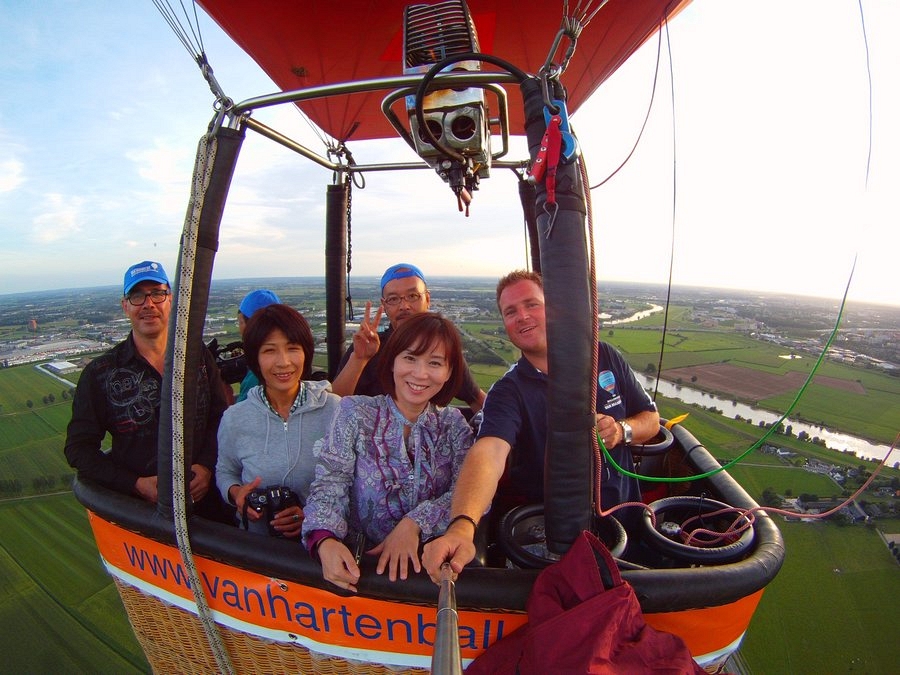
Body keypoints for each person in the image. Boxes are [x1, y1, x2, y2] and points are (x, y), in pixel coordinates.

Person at [422, 270, 660, 582]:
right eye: (510, 311)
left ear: (553, 308)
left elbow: (650, 419)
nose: (522, 316)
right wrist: (462, 526)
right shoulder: (509, 391)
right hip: (548, 536)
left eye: (531, 304)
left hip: (623, 519)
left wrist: (621, 430)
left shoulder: (603, 356)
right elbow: (489, 451)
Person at [302, 312, 474, 592]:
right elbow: (330, 481)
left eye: (434, 363)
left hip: (430, 575)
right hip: (361, 571)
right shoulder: (354, 413)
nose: (420, 373)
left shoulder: (453, 425)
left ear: (449, 372)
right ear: (392, 361)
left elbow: (470, 493)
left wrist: (415, 523)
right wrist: (324, 539)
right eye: (410, 358)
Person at [64, 260, 232, 523]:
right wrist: (135, 484)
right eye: (137, 296)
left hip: (210, 509)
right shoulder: (101, 374)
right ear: (125, 306)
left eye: (157, 293)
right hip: (144, 518)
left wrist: (207, 466)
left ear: (171, 300)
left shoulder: (197, 356)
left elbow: (219, 417)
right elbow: (79, 449)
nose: (148, 304)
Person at [216, 303, 340, 537]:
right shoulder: (235, 418)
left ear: (306, 353)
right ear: (255, 359)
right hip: (256, 546)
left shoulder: (335, 411)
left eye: (292, 348)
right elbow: (225, 471)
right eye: (269, 351)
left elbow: (353, 484)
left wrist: (313, 516)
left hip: (321, 546)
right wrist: (236, 493)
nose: (283, 362)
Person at [331, 263, 486, 412]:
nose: (404, 306)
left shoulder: (443, 351)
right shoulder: (369, 348)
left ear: (427, 299)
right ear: (384, 306)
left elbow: (477, 400)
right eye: (393, 299)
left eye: (412, 296)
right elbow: (333, 407)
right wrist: (359, 359)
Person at [235, 289, 281, 403]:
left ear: (251, 326)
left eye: (240, 322)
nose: (239, 329)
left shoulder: (258, 373)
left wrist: (222, 390)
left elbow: (240, 412)